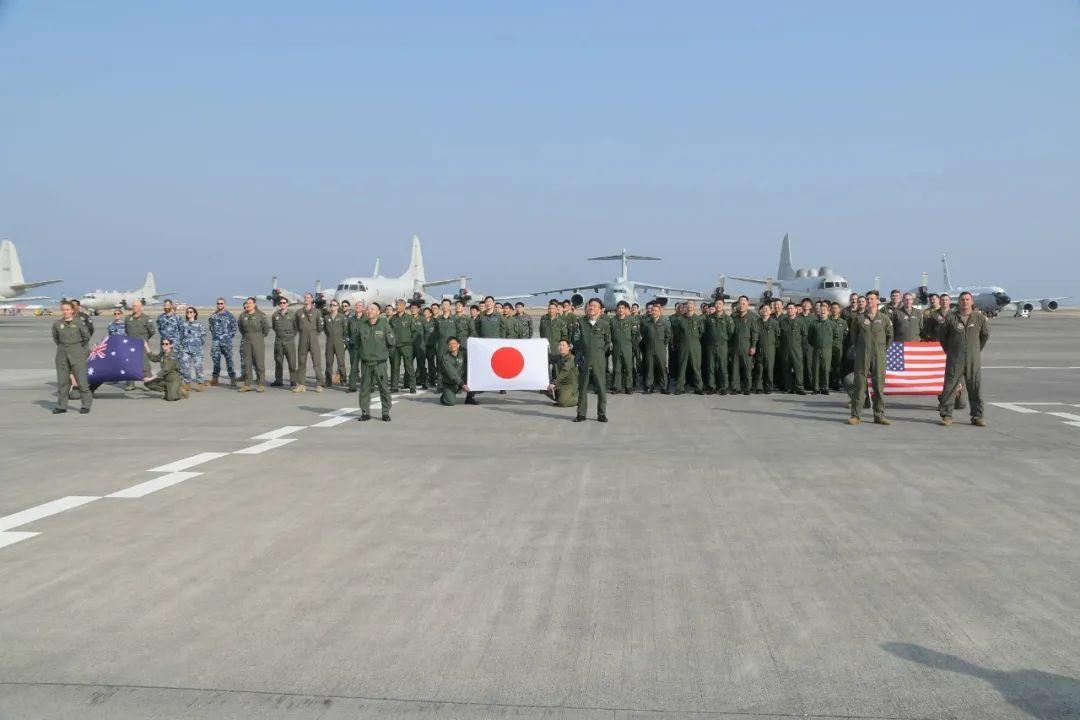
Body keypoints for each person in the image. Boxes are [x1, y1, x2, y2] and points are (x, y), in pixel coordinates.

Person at [938, 291, 990, 426]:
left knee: (975, 387)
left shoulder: (979, 318)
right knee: (950, 387)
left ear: (972, 302)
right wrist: (951, 350)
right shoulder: (951, 318)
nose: (965, 302)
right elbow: (942, 337)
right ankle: (946, 415)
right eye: (962, 300)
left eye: (967, 299)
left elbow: (984, 336)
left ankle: (977, 416)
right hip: (955, 359)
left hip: (973, 359)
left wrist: (975, 350)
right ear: (958, 302)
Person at [848, 290, 893, 425]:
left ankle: (879, 415)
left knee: (879, 385)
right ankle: (856, 415)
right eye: (867, 299)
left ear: (878, 301)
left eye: (872, 299)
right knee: (859, 385)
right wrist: (862, 348)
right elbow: (853, 336)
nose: (869, 301)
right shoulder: (859, 318)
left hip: (879, 355)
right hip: (863, 355)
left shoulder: (884, 318)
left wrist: (881, 350)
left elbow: (890, 336)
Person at [567, 298, 610, 422]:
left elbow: (607, 342)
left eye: (595, 306)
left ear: (600, 310)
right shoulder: (580, 323)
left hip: (599, 360)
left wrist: (600, 353)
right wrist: (579, 356)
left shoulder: (605, 325)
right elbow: (575, 340)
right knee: (583, 387)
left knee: (601, 387)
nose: (591, 308)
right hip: (583, 359)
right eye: (590, 306)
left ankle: (601, 414)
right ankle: (581, 414)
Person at [354, 302, 394, 421]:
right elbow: (357, 343)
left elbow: (391, 343)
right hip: (366, 363)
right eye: (368, 309)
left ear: (378, 312)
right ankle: (365, 412)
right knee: (364, 389)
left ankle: (385, 412)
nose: (370, 311)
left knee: (383, 388)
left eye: (373, 309)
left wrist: (384, 356)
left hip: (379, 363)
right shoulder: (361, 325)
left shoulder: (384, 324)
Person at [52, 300, 92, 414]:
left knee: (82, 381)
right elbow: (56, 339)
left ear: (72, 310)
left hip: (77, 354)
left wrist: (78, 349)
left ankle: (85, 405)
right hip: (62, 355)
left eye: (68, 309)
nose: (65, 312)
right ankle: (62, 406)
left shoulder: (79, 322)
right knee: (62, 382)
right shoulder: (57, 324)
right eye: (63, 309)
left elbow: (86, 337)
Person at [237, 297, 270, 392]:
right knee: (247, 363)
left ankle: (261, 384)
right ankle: (247, 384)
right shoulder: (243, 316)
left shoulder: (261, 315)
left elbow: (266, 329)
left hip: (258, 340)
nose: (248, 305)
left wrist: (259, 337)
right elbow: (241, 328)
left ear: (254, 304)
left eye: (250, 303)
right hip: (247, 340)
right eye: (247, 303)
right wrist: (247, 336)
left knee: (259, 363)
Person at [294, 293, 325, 392]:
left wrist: (314, 333)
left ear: (312, 299)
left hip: (313, 338)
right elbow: (296, 325)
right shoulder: (299, 312)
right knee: (301, 361)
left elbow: (320, 326)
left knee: (316, 362)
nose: (306, 299)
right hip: (303, 338)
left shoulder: (317, 312)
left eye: (308, 298)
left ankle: (319, 384)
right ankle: (301, 384)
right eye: (305, 298)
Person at [674, 300, 705, 394]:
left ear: (694, 306)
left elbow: (701, 333)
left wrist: (694, 339)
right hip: (683, 345)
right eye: (688, 304)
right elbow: (677, 332)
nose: (689, 306)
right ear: (685, 307)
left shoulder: (699, 319)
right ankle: (680, 388)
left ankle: (699, 388)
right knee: (682, 366)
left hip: (695, 345)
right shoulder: (680, 319)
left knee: (696, 367)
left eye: (691, 304)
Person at [123, 300, 155, 390]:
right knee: (130, 364)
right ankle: (130, 383)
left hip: (142, 345)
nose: (134, 308)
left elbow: (152, 331)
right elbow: (126, 331)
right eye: (133, 306)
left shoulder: (146, 318)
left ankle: (148, 383)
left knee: (145, 365)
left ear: (140, 307)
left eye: (136, 306)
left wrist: (144, 340)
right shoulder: (128, 318)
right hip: (131, 345)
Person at [640, 302, 671, 394]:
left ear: (659, 312)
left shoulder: (664, 322)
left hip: (660, 348)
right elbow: (644, 335)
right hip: (649, 348)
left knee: (662, 368)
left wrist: (663, 344)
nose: (654, 312)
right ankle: (649, 387)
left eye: (656, 311)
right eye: (653, 310)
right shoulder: (646, 323)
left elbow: (668, 335)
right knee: (649, 368)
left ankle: (664, 387)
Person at [729, 296, 758, 395]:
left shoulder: (752, 317)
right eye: (740, 304)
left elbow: (754, 333)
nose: (741, 306)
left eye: (743, 303)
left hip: (747, 345)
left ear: (748, 304)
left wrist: (753, 346)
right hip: (735, 345)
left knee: (747, 368)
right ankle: (735, 387)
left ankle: (747, 388)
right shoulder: (733, 317)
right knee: (735, 367)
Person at [208, 297, 238, 387]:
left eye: (221, 303)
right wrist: (216, 336)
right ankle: (215, 379)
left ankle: (232, 378)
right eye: (218, 303)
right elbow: (211, 327)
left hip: (226, 342)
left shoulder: (229, 315)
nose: (219, 305)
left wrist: (228, 337)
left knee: (229, 361)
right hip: (216, 342)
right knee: (216, 361)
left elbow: (234, 328)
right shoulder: (213, 316)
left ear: (224, 304)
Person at [778, 303, 807, 394]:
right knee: (786, 368)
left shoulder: (801, 322)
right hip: (785, 349)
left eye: (791, 308)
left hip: (797, 349)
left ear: (795, 310)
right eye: (788, 308)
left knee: (798, 369)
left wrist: (803, 349)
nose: (790, 310)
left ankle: (799, 387)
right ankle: (789, 387)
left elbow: (804, 336)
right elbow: (779, 336)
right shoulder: (782, 322)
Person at [609, 301, 637, 394]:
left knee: (629, 367)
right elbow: (610, 334)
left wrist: (633, 346)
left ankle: (629, 387)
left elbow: (634, 334)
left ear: (626, 310)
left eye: (622, 308)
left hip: (627, 347)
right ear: (616, 310)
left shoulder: (631, 320)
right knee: (617, 368)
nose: (620, 310)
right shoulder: (613, 321)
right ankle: (617, 387)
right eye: (619, 308)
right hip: (616, 347)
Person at [807, 303, 834, 394]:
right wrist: (815, 344)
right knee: (816, 368)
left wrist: (830, 346)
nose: (822, 311)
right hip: (817, 349)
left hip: (827, 349)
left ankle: (825, 388)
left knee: (826, 369)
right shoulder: (814, 323)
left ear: (828, 312)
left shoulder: (831, 323)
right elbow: (810, 337)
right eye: (821, 310)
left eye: (824, 310)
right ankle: (816, 388)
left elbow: (837, 337)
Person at [271, 298, 297, 388]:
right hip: (279, 341)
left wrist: (290, 336)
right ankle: (278, 380)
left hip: (289, 341)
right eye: (280, 303)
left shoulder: (292, 314)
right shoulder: (275, 315)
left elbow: (296, 327)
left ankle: (293, 381)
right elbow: (274, 327)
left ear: (287, 304)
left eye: (284, 303)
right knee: (278, 361)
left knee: (292, 362)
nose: (282, 304)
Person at [179, 306, 206, 392]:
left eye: (191, 312)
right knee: (185, 367)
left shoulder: (199, 325)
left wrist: (197, 345)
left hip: (196, 349)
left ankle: (200, 383)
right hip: (185, 349)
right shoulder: (184, 325)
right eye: (187, 312)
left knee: (198, 367)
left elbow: (203, 337)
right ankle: (187, 384)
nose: (189, 314)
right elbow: (181, 336)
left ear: (194, 313)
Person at [753, 303, 778, 393]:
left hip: (770, 349)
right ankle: (759, 387)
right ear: (760, 311)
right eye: (763, 309)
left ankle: (768, 387)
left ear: (771, 311)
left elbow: (778, 335)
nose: (765, 310)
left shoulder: (774, 323)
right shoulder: (757, 322)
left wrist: (775, 346)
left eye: (767, 309)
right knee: (759, 368)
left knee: (769, 369)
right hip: (759, 348)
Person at [439, 336, 471, 406]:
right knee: (451, 402)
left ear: (458, 345)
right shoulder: (446, 359)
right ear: (448, 346)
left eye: (454, 343)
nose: (452, 345)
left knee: (475, 381)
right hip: (450, 383)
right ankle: (444, 396)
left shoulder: (463, 354)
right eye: (450, 344)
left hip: (461, 381)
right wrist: (462, 384)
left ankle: (469, 398)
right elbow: (452, 374)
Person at [323, 299, 348, 387]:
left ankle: (343, 379)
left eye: (334, 305)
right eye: (331, 305)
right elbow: (325, 330)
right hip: (329, 342)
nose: (332, 307)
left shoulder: (341, 317)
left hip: (339, 342)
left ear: (337, 306)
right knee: (329, 362)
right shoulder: (326, 317)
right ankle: (328, 380)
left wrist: (344, 341)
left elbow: (345, 331)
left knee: (341, 362)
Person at [548, 339, 578, 407]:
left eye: (563, 345)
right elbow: (548, 358)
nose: (561, 347)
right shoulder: (559, 357)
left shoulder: (571, 358)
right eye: (560, 345)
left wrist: (554, 383)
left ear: (569, 347)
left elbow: (564, 371)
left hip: (569, 384)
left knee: (562, 403)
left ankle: (577, 399)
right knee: (545, 388)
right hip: (561, 383)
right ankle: (562, 398)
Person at [539, 299, 564, 378]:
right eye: (549, 308)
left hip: (556, 347)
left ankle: (556, 386)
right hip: (546, 347)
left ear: (557, 310)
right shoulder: (544, 319)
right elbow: (541, 332)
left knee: (556, 368)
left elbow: (564, 334)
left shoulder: (560, 320)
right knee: (545, 367)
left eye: (553, 308)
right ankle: (544, 386)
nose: (551, 310)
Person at [346, 300, 366, 392]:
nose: (357, 307)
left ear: (363, 308)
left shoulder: (366, 319)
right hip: (354, 347)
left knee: (365, 368)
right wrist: (348, 344)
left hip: (364, 347)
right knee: (353, 367)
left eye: (360, 305)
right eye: (356, 305)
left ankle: (367, 386)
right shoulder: (351, 320)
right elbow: (347, 333)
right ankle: (352, 387)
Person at [829, 302, 846, 391]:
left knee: (837, 366)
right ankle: (827, 383)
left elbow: (846, 335)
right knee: (827, 365)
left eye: (836, 308)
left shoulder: (843, 322)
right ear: (830, 309)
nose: (834, 310)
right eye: (833, 308)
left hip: (839, 346)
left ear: (839, 310)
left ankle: (835, 383)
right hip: (828, 346)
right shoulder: (827, 321)